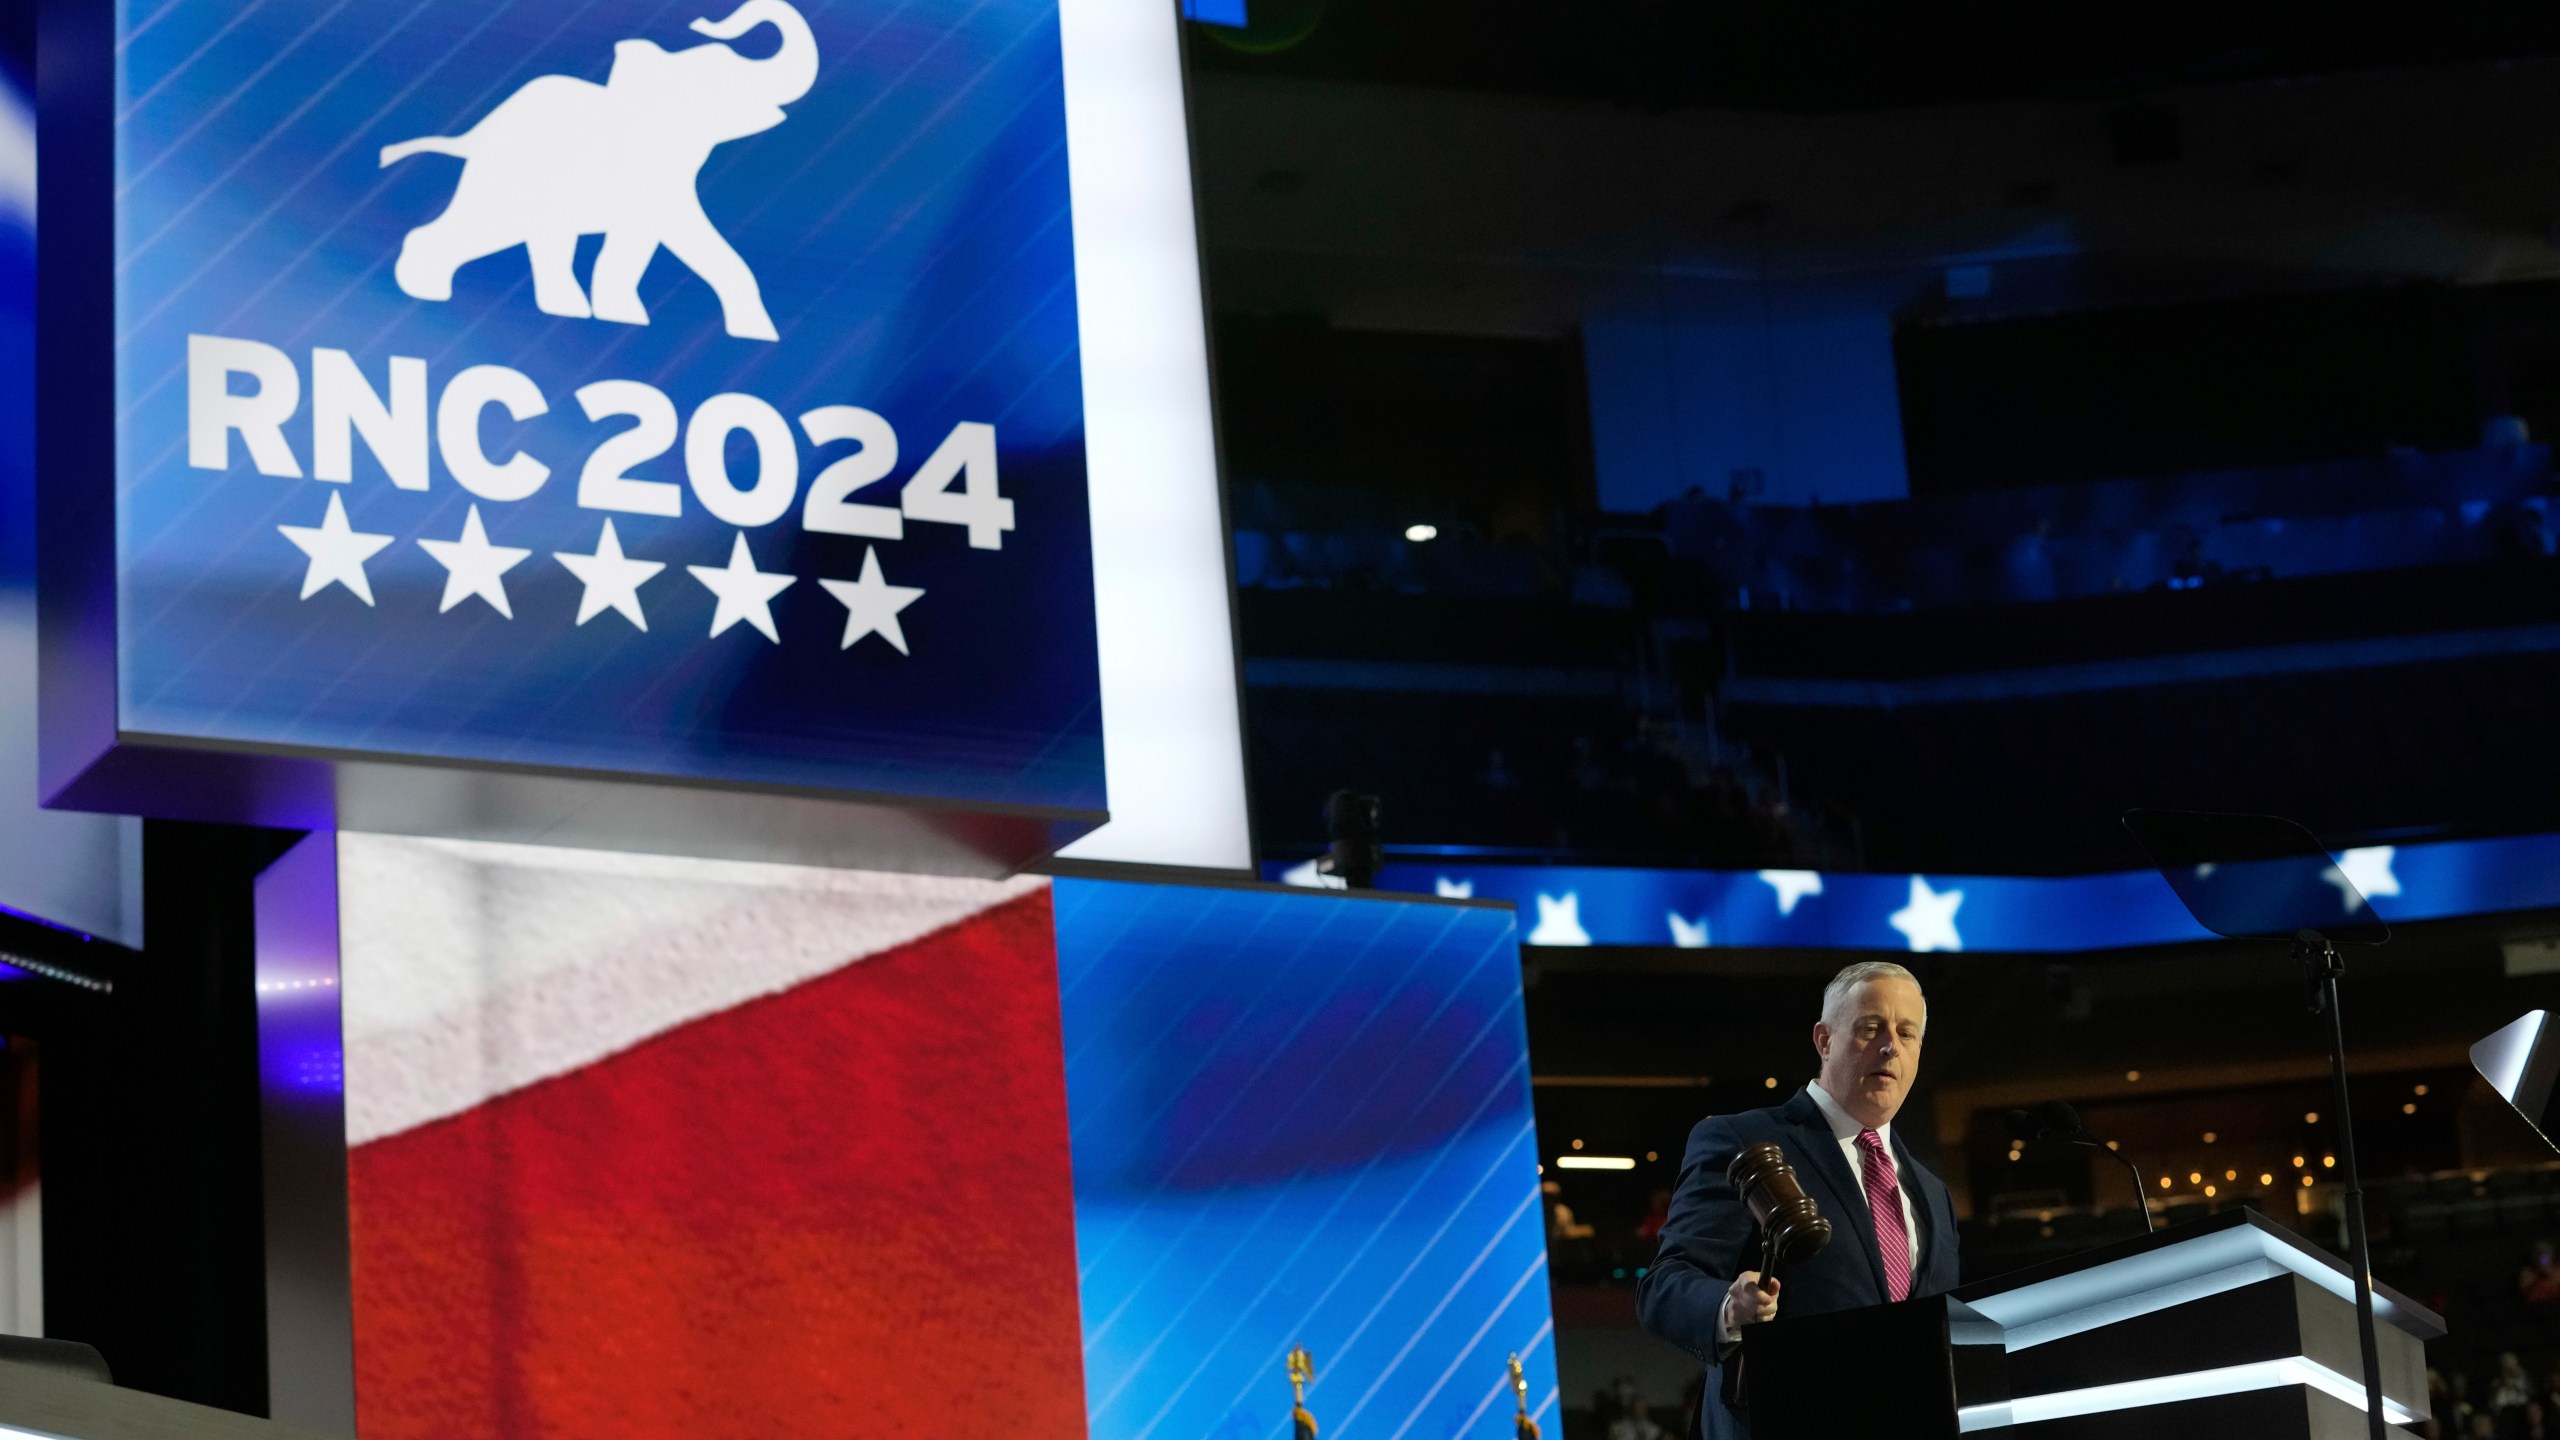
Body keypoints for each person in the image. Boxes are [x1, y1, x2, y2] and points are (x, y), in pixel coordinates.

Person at [1637, 961, 1961, 1439]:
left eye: (1906, 1033)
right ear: (1824, 1040)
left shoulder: (1934, 1194)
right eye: (1871, 1028)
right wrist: (1729, 1307)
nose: (1890, 1045)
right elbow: (1663, 1287)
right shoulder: (1742, 1141)